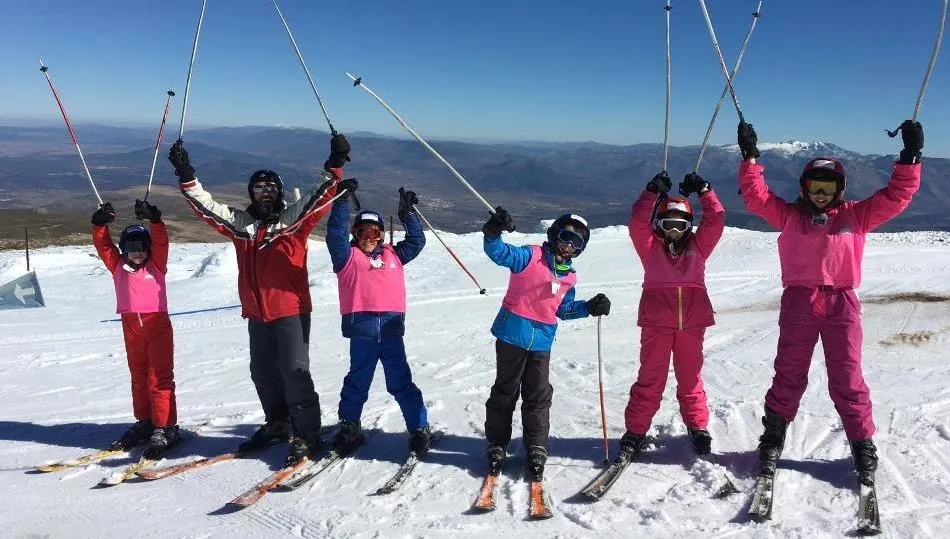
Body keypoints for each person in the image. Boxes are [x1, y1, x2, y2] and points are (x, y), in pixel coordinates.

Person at [736, 119, 923, 485]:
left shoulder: (856, 215)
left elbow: (896, 197)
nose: (820, 194)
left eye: (828, 187)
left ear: (840, 189)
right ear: (804, 187)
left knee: (848, 377)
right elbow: (757, 197)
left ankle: (861, 444)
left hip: (842, 304)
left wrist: (911, 159)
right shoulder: (790, 216)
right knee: (789, 372)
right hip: (799, 303)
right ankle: (773, 437)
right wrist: (750, 157)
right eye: (814, 187)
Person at [167, 134, 348, 465]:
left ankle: (306, 432)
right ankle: (278, 422)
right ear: (251, 194)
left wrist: (333, 166)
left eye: (270, 188)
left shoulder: (292, 222)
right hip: (256, 314)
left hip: (290, 310)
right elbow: (206, 207)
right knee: (263, 372)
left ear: (279, 191)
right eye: (258, 189)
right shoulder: (242, 226)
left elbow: (318, 196)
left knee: (294, 371)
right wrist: (185, 174)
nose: (265, 194)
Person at [481, 207, 612, 481]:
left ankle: (535, 445)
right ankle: (497, 443)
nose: (568, 245)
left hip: (542, 343)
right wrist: (493, 232)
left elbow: (563, 310)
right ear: (553, 234)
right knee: (505, 392)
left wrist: (588, 307)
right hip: (511, 336)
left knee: (538, 396)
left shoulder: (569, 276)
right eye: (565, 237)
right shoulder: (530, 256)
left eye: (576, 243)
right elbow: (499, 253)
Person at [620, 171, 725, 460]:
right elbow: (636, 224)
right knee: (650, 378)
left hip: (691, 325)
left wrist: (705, 191)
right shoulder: (650, 249)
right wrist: (651, 192)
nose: (675, 232)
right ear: (659, 225)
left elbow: (715, 220)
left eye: (681, 226)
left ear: (689, 227)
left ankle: (697, 426)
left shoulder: (698, 248)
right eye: (668, 225)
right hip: (656, 324)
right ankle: (636, 430)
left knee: (690, 378)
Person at [324, 183, 432, 457]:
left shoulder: (394, 255)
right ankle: (350, 426)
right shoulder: (347, 258)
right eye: (363, 232)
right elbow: (335, 235)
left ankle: (419, 428)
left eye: (374, 232)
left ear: (382, 235)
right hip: (362, 333)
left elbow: (417, 241)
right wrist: (341, 203)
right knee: (357, 381)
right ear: (355, 234)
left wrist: (408, 214)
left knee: (400, 381)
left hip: (392, 331)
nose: (368, 237)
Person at [91, 200, 179, 459]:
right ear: (124, 250)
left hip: (157, 326)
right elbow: (103, 246)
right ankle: (145, 421)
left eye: (142, 247)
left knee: (159, 377)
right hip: (131, 327)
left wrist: (155, 221)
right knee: (138, 376)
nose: (137, 252)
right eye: (131, 248)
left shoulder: (156, 266)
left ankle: (165, 426)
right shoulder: (118, 267)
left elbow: (161, 242)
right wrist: (99, 225)